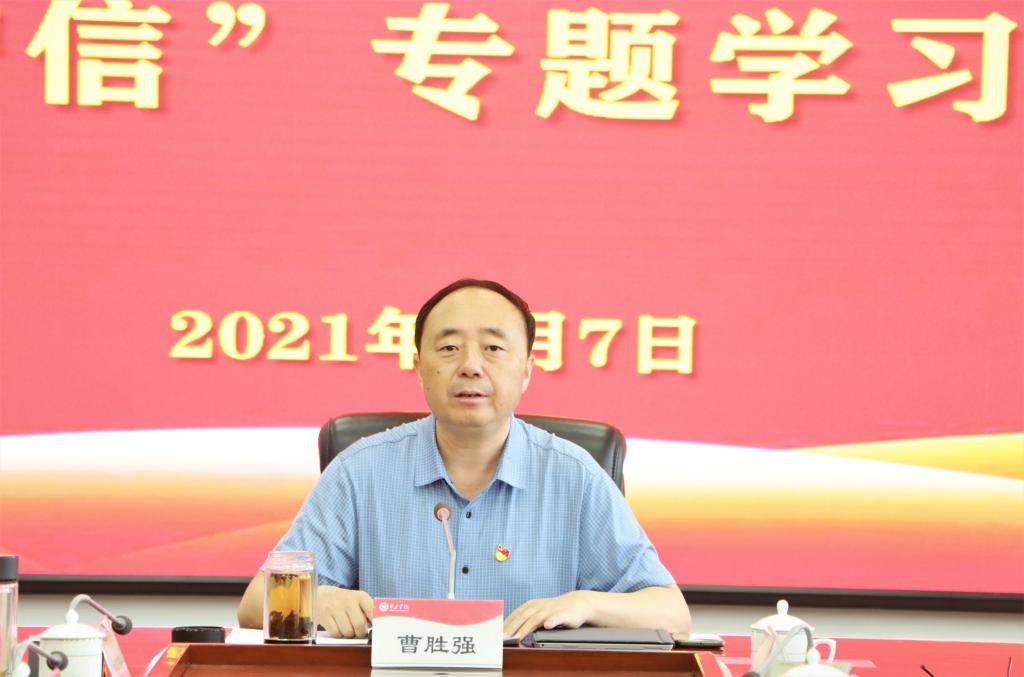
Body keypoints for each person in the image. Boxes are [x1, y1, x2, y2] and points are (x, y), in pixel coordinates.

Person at [238, 279, 690, 639]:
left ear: (527, 370)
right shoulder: (360, 471)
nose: (471, 366)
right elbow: (255, 602)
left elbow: (672, 614)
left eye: (493, 348)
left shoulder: (574, 476)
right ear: (419, 367)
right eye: (449, 348)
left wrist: (587, 603)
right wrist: (320, 600)